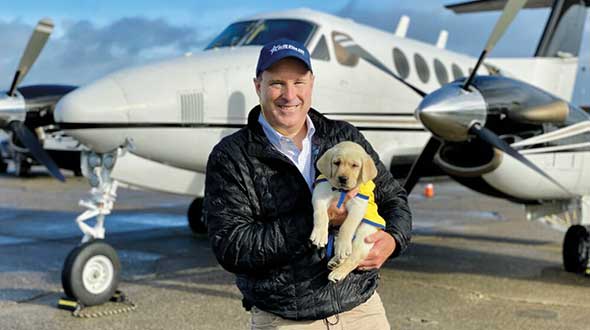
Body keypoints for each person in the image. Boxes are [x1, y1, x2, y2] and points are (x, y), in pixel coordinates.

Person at [203, 38, 412, 329]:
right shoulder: (231, 156)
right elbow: (231, 247)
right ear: (257, 86)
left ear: (311, 83)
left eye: (299, 82)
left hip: (363, 313)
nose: (290, 95)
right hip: (285, 321)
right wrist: (316, 221)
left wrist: (393, 240)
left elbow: (394, 200)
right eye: (277, 83)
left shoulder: (344, 136)